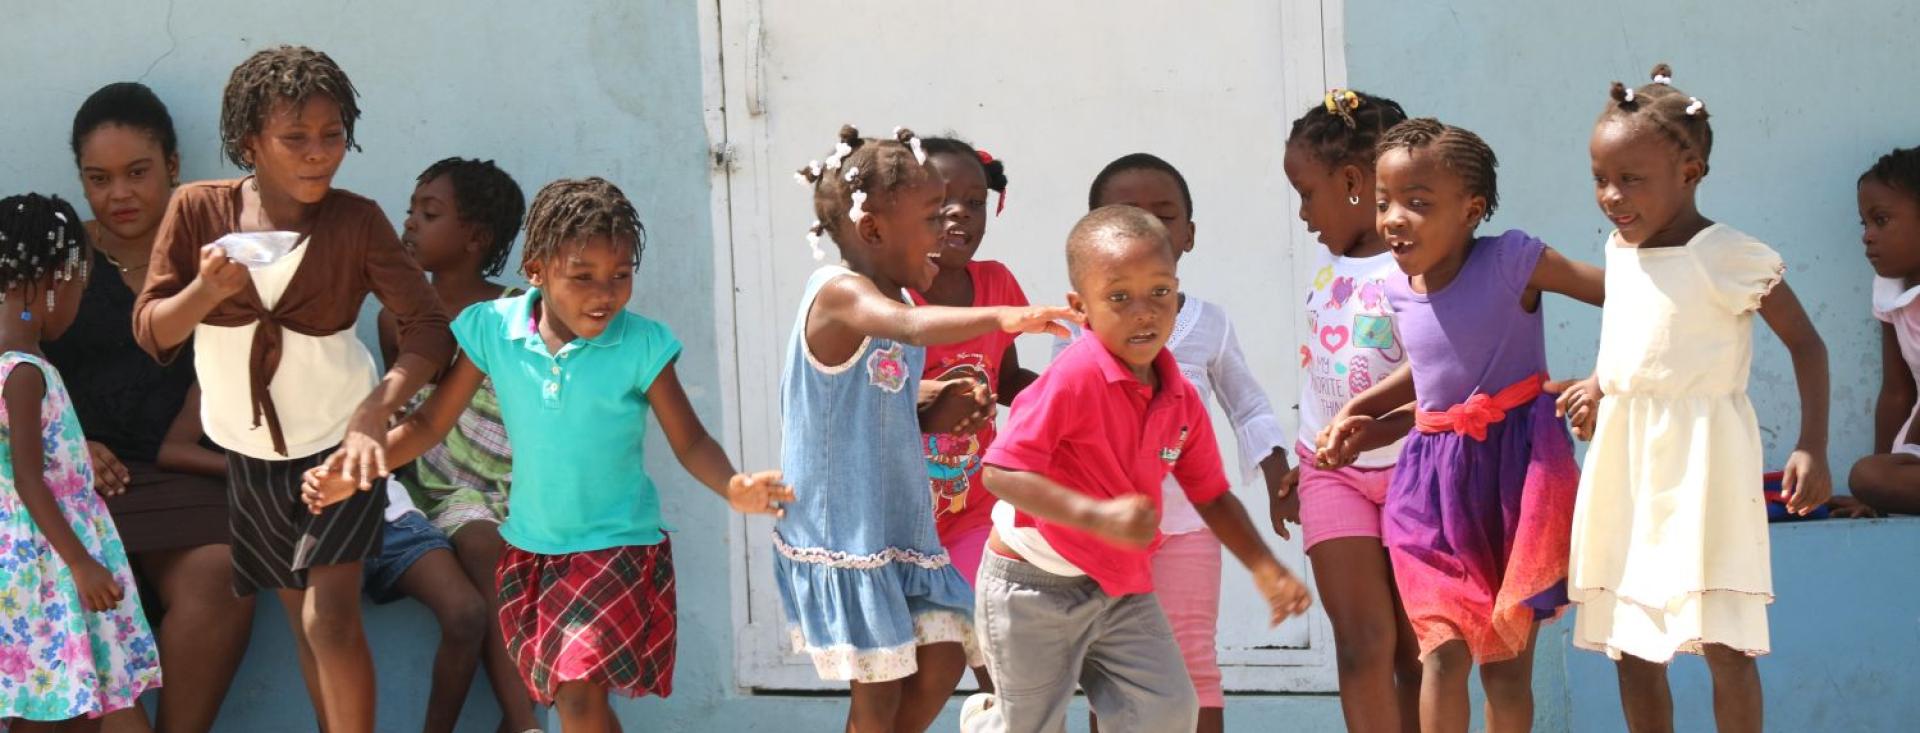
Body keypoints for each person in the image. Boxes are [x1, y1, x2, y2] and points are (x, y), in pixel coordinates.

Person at [305, 177, 790, 733]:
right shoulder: (493, 330)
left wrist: (732, 486)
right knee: (576, 699)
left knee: (579, 696)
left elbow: (691, 441)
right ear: (536, 271)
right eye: (582, 277)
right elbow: (429, 423)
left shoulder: (642, 345)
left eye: (621, 276)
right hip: (531, 551)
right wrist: (357, 470)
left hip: (616, 548)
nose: (604, 293)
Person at [132, 45, 454, 733]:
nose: (318, 154)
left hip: (343, 445)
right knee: (301, 620)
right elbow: (153, 331)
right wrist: (204, 290)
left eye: (332, 135)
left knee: (328, 614)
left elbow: (428, 328)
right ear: (250, 142)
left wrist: (375, 410)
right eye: (295, 138)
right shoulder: (198, 211)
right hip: (248, 452)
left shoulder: (357, 221)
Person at [961, 205, 1312, 733]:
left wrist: (1265, 568)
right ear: (1081, 307)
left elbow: (1212, 496)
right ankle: (988, 722)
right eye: (1119, 297)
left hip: (1120, 586)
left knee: (1170, 709)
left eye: (1160, 293)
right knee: (1029, 726)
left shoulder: (1179, 397)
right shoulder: (1071, 379)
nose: (1144, 312)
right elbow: (1001, 474)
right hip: (1031, 586)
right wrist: (1094, 516)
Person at [1560, 64, 1832, 733]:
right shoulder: (1620, 249)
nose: (1612, 195)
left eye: (1631, 179)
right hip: (1627, 462)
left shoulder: (1729, 256)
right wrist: (1598, 386)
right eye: (1600, 178)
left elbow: (1808, 345)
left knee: (1726, 642)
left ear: (1691, 171)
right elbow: (1626, 336)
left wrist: (1812, 444)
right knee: (1632, 645)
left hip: (1704, 465)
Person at [776, 125, 1075, 733]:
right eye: (931, 217)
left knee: (940, 658)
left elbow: (875, 392)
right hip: (849, 533)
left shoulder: (895, 298)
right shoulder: (842, 295)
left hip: (900, 526)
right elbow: (903, 330)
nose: (946, 229)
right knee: (879, 696)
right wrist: (1005, 315)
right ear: (873, 230)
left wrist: (934, 399)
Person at [1318, 118, 1604, 733]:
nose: (1395, 218)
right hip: (1430, 489)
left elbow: (1624, 298)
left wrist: (1602, 377)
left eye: (1418, 204)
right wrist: (1362, 415)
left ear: (1471, 210)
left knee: (1503, 669)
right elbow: (1432, 379)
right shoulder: (1398, 288)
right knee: (1442, 653)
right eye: (1384, 202)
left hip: (1514, 480)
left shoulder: (1513, 261)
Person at [45, 82, 253, 733]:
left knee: (222, 568)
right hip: (76, 485)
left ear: (172, 164)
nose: (118, 194)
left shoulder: (215, 258)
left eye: (137, 172)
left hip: (183, 476)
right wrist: (64, 441)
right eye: (98, 178)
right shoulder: (59, 257)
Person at [1064, 152, 1294, 733]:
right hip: (1105, 534)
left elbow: (1247, 402)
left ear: (1188, 234)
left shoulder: (1209, 324)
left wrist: (1275, 471)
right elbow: (1057, 428)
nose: (1147, 228)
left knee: (1193, 659)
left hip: (1190, 525)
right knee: (1111, 670)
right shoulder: (1073, 331)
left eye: (1164, 215)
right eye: (1126, 214)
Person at [377, 157, 541, 733]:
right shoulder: (396, 317)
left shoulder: (521, 312)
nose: (411, 223)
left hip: (518, 481)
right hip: (440, 484)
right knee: (481, 544)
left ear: (475, 237)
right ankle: (525, 725)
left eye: (430, 213)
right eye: (411, 210)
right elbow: (412, 414)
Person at [1278, 88, 1422, 733]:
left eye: (1307, 193)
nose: (1304, 212)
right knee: (1362, 645)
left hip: (1417, 468)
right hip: (1331, 473)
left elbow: (1443, 382)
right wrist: (1304, 455)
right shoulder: (1325, 263)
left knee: (1419, 648)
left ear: (1354, 182)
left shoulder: (1417, 268)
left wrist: (1377, 431)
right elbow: (1323, 374)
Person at [1, 193, 163, 731]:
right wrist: (80, 564)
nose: (78, 304)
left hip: (39, 558)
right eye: (80, 288)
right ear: (51, 283)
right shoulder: (24, 371)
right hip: (50, 564)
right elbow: (27, 479)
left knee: (65, 697)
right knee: (65, 707)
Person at [1848, 146, 1920, 516]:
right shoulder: (1890, 290)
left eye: (1881, 220)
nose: (1868, 236)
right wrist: (1872, 495)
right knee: (1869, 476)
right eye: (1865, 223)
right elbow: (1896, 392)